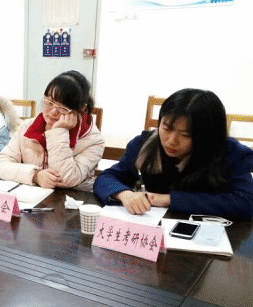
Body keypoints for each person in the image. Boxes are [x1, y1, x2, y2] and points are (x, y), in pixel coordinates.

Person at [94, 88, 253, 219]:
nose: (171, 141)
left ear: (206, 136)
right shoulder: (144, 145)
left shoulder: (229, 154)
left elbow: (246, 202)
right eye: (166, 128)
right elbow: (106, 177)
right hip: (154, 232)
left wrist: (170, 199)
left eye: (185, 135)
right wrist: (124, 194)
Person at [0, 70, 104, 190]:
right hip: (32, 196)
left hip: (72, 198)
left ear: (81, 108)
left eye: (63, 107)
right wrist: (35, 175)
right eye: (50, 102)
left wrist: (58, 132)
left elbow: (66, 179)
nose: (53, 112)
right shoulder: (27, 127)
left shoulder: (94, 141)